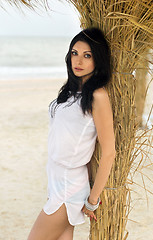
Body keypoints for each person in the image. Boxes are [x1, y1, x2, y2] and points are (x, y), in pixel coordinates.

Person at [27, 27, 116, 240]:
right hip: (57, 182)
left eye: (88, 55)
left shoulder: (98, 96)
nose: (79, 60)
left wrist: (92, 200)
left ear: (98, 60)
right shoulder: (70, 93)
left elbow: (109, 152)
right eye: (75, 53)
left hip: (69, 187)